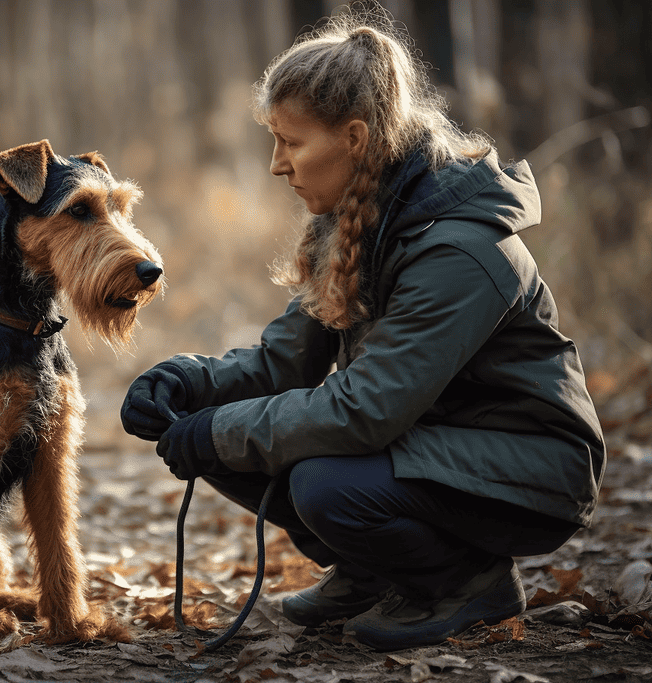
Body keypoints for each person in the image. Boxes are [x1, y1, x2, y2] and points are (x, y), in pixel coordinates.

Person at [120, 7, 605, 652]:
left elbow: (366, 411)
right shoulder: (353, 220)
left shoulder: (460, 252)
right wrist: (188, 383)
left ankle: (464, 583)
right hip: (432, 441)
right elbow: (280, 365)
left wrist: (215, 432)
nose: (276, 164)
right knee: (225, 421)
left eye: (291, 142)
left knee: (321, 481)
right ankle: (375, 571)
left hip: (533, 461)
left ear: (354, 138)